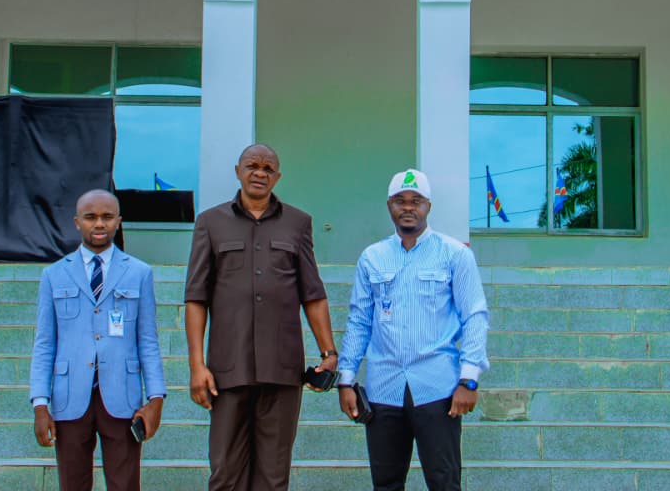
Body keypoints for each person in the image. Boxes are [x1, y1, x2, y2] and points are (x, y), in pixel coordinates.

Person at [185, 143, 338, 491]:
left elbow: (313, 294)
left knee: (273, 477)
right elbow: (196, 298)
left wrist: (329, 353)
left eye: (268, 169)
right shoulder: (210, 223)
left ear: (277, 177)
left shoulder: (298, 223)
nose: (260, 173)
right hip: (228, 370)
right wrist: (196, 365)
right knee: (225, 474)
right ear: (238, 171)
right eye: (252, 166)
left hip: (282, 370)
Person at [337, 169, 489, 491]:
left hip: (438, 388)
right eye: (400, 200)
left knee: (444, 482)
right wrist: (345, 380)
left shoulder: (455, 255)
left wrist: (469, 378)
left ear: (428, 206)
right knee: (386, 484)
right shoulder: (372, 258)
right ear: (389, 205)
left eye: (416, 200)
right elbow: (359, 321)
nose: (408, 207)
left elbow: (474, 316)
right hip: (384, 389)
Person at [29, 189, 166, 491]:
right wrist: (40, 403)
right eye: (91, 217)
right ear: (77, 222)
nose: (99, 224)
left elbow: (147, 340)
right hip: (70, 397)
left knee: (124, 483)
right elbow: (45, 344)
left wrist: (156, 398)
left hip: (122, 397)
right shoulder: (54, 275)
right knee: (73, 483)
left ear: (119, 221)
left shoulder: (139, 273)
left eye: (107, 217)